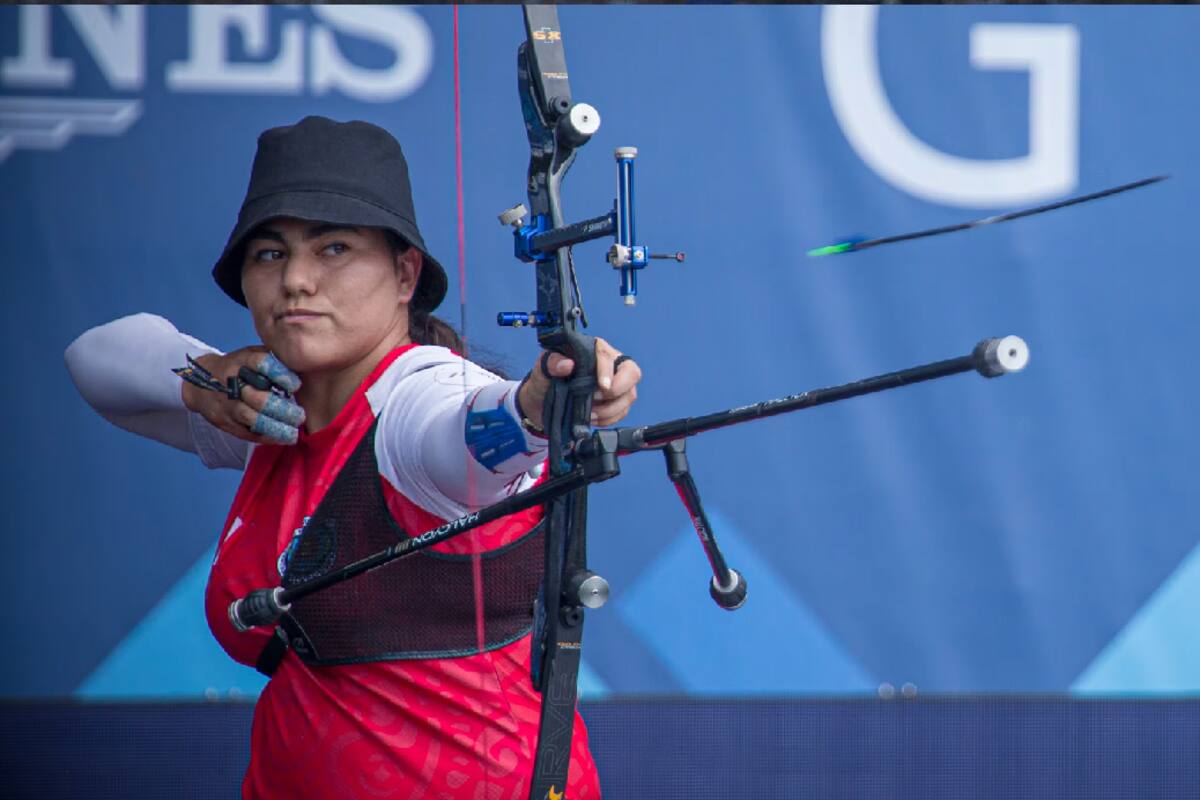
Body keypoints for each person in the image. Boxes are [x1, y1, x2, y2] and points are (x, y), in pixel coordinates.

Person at [65, 116, 640, 799]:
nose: (298, 281)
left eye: (333, 248)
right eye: (271, 254)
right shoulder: (270, 408)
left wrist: (540, 408)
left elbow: (475, 434)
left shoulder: (418, 403)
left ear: (404, 274)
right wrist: (204, 380)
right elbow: (94, 360)